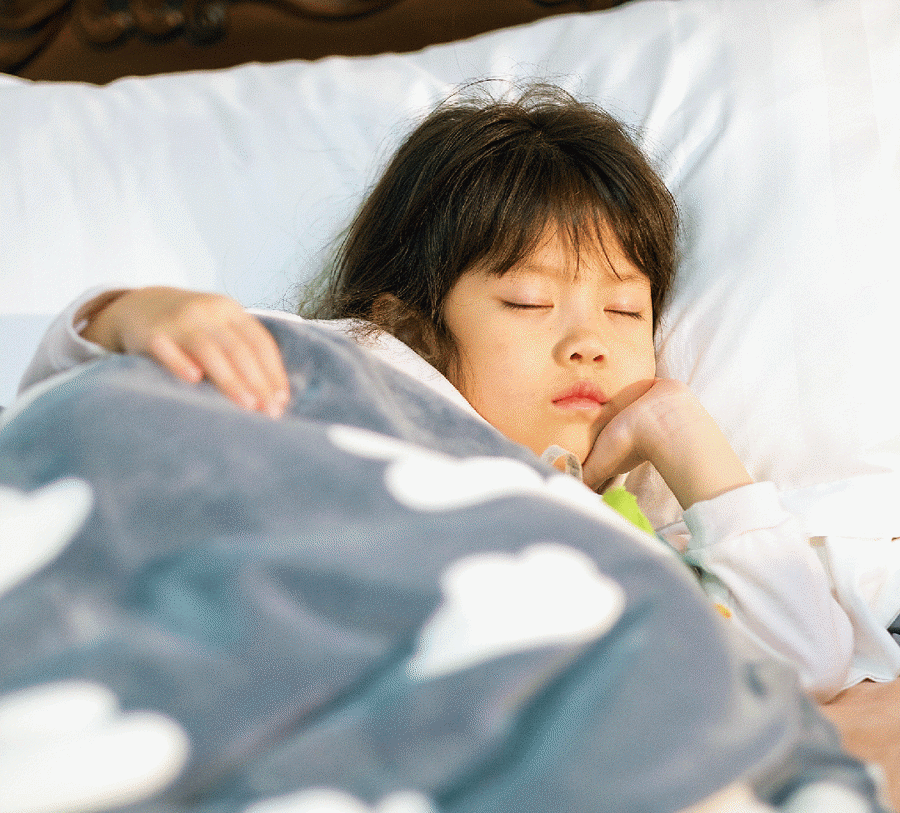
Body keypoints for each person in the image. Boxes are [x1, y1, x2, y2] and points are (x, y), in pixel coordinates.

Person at [18, 85, 854, 699]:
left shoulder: (615, 516)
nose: (588, 341)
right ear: (413, 325)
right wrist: (132, 313)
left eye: (626, 309)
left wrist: (680, 429)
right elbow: (84, 421)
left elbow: (805, 661)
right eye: (528, 301)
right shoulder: (359, 362)